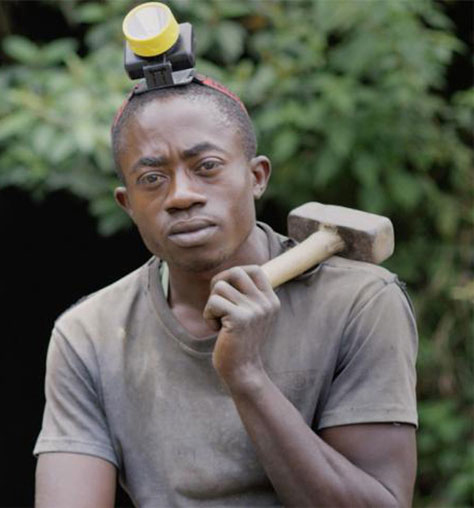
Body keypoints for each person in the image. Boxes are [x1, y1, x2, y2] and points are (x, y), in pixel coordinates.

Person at [33, 77, 418, 507]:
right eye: (153, 177)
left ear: (257, 177)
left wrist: (247, 377)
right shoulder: (91, 335)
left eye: (207, 167)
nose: (181, 196)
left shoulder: (357, 303)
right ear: (128, 204)